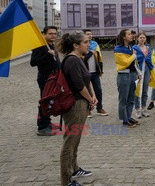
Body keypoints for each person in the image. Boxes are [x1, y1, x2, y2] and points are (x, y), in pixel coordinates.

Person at [58, 31, 97, 186]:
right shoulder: (72, 60)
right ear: (76, 45)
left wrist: (92, 97)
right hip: (75, 104)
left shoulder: (77, 59)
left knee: (75, 140)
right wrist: (90, 99)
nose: (88, 44)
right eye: (85, 42)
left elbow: (87, 80)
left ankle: (74, 169)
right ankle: (66, 180)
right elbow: (79, 85)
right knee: (70, 142)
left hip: (82, 102)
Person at [30, 25, 60, 136]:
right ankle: (42, 127)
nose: (53, 35)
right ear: (44, 34)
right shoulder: (40, 46)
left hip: (53, 79)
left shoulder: (50, 45)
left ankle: (47, 122)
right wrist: (48, 56)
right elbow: (33, 62)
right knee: (45, 102)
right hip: (45, 79)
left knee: (50, 102)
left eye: (55, 34)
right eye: (50, 33)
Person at [114, 29, 140, 128]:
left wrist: (139, 73)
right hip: (124, 75)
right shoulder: (118, 49)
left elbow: (134, 62)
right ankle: (124, 119)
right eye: (129, 34)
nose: (131, 36)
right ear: (123, 37)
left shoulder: (130, 47)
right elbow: (125, 63)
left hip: (133, 75)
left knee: (131, 99)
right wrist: (133, 55)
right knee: (123, 99)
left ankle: (129, 117)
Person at [83, 29, 108, 118]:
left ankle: (99, 108)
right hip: (85, 73)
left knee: (98, 91)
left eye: (90, 34)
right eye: (87, 34)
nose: (90, 35)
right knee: (87, 92)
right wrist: (90, 53)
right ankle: (88, 110)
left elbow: (99, 58)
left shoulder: (95, 44)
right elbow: (83, 58)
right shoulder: (81, 46)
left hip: (95, 72)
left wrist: (100, 70)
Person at [133, 32, 153, 118]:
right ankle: (137, 109)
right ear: (137, 39)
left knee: (145, 90)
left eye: (143, 37)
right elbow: (133, 61)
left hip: (147, 70)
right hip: (138, 70)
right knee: (137, 90)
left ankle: (144, 108)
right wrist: (137, 73)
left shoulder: (148, 48)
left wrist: (151, 74)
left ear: (145, 39)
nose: (142, 39)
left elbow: (150, 61)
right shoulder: (134, 48)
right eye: (140, 37)